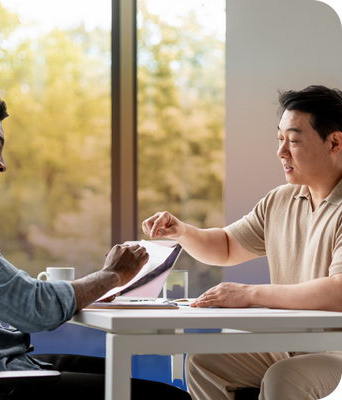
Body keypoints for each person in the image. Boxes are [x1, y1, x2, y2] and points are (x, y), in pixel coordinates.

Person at [0, 73, 191, 400]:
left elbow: (14, 294)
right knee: (169, 398)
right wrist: (112, 275)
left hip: (7, 364)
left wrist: (98, 286)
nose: (2, 164)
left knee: (120, 373)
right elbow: (30, 307)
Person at [142, 85, 342, 400]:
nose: (281, 152)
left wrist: (249, 294)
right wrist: (181, 231)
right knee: (203, 361)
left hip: (337, 352)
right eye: (279, 140)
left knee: (285, 377)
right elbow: (226, 246)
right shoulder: (280, 200)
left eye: (293, 141)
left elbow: (338, 292)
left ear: (334, 142)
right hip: (290, 347)